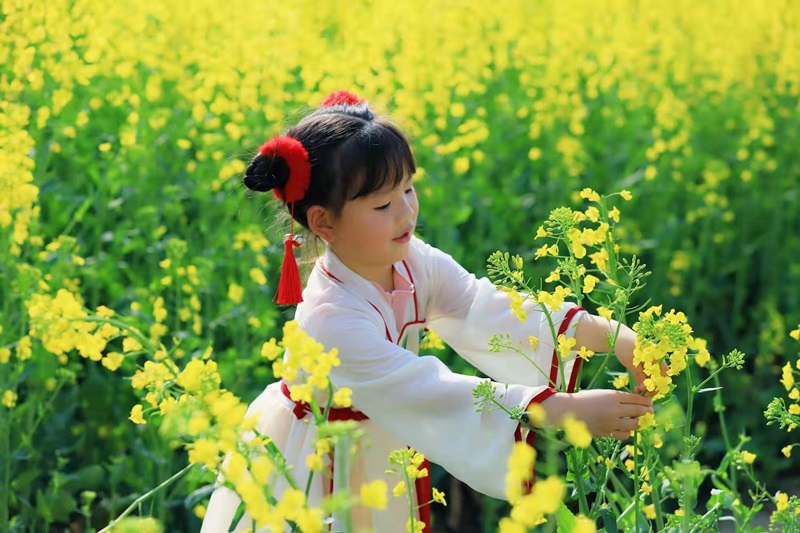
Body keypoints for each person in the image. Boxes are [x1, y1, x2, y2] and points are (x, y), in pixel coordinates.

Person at [201, 91, 653, 533]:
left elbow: (484, 308)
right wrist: (560, 411)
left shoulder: (412, 260)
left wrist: (615, 335)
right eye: (383, 204)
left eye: (409, 188)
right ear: (323, 223)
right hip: (318, 461)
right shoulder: (329, 320)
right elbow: (429, 391)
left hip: (385, 435)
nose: (407, 213)